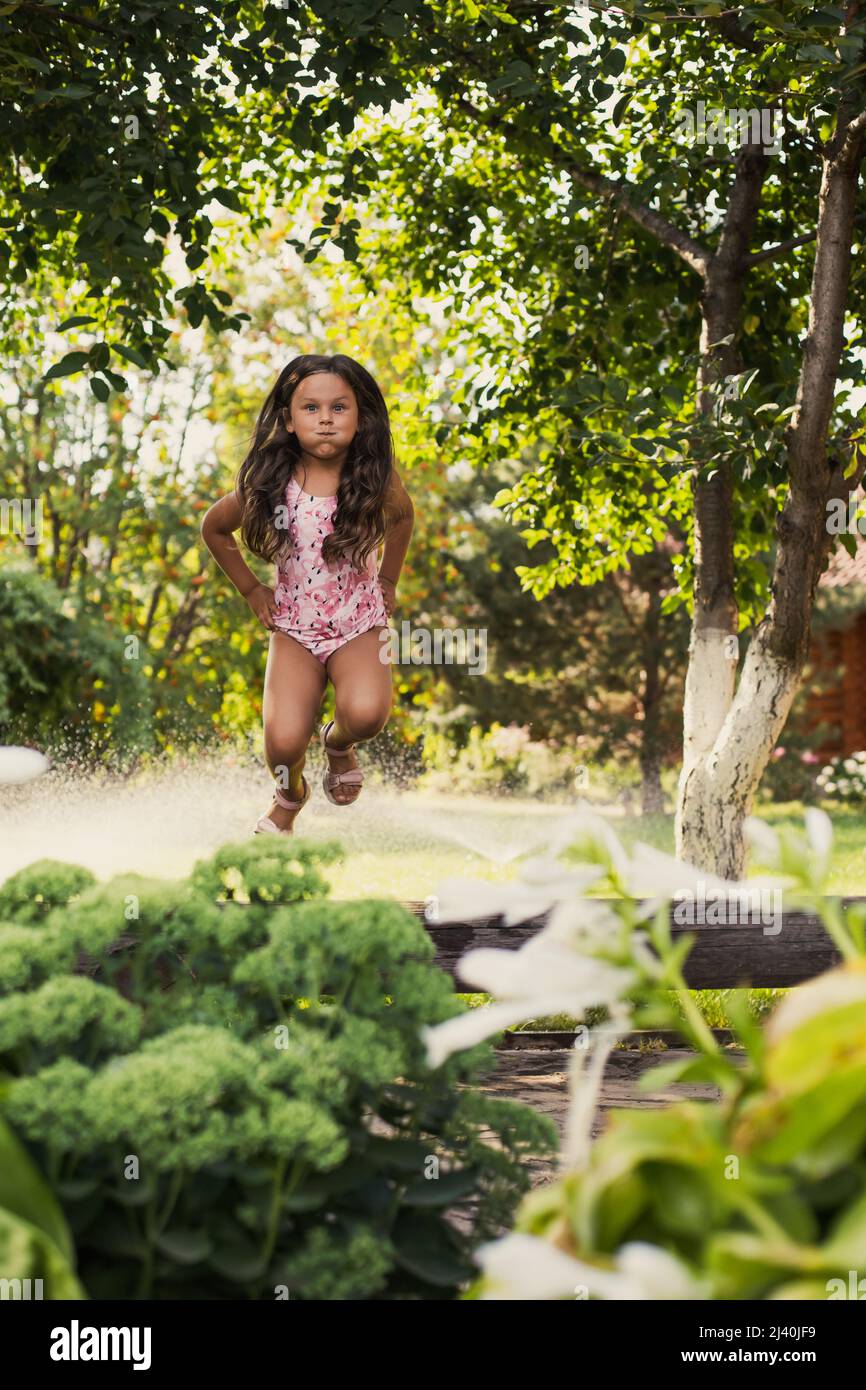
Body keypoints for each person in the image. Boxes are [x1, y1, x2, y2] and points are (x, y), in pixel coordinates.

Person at [201, 353, 414, 835]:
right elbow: (214, 529)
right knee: (280, 745)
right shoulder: (269, 483)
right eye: (310, 408)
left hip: (358, 621)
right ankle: (289, 797)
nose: (324, 419)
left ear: (361, 420)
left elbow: (403, 519)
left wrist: (389, 580)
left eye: (339, 408)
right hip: (294, 627)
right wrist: (252, 589)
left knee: (366, 714)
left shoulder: (374, 480)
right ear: (288, 420)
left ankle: (337, 744)